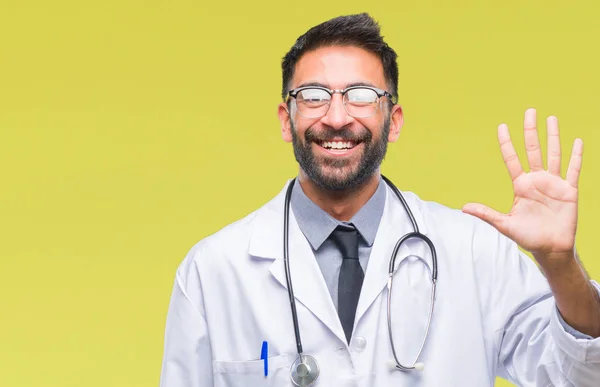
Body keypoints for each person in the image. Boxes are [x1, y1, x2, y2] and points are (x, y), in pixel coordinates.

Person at [159, 13, 600, 386]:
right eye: (313, 96)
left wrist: (561, 266)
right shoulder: (212, 272)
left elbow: (577, 375)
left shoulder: (475, 253)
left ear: (394, 121)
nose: (336, 117)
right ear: (285, 119)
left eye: (362, 96)